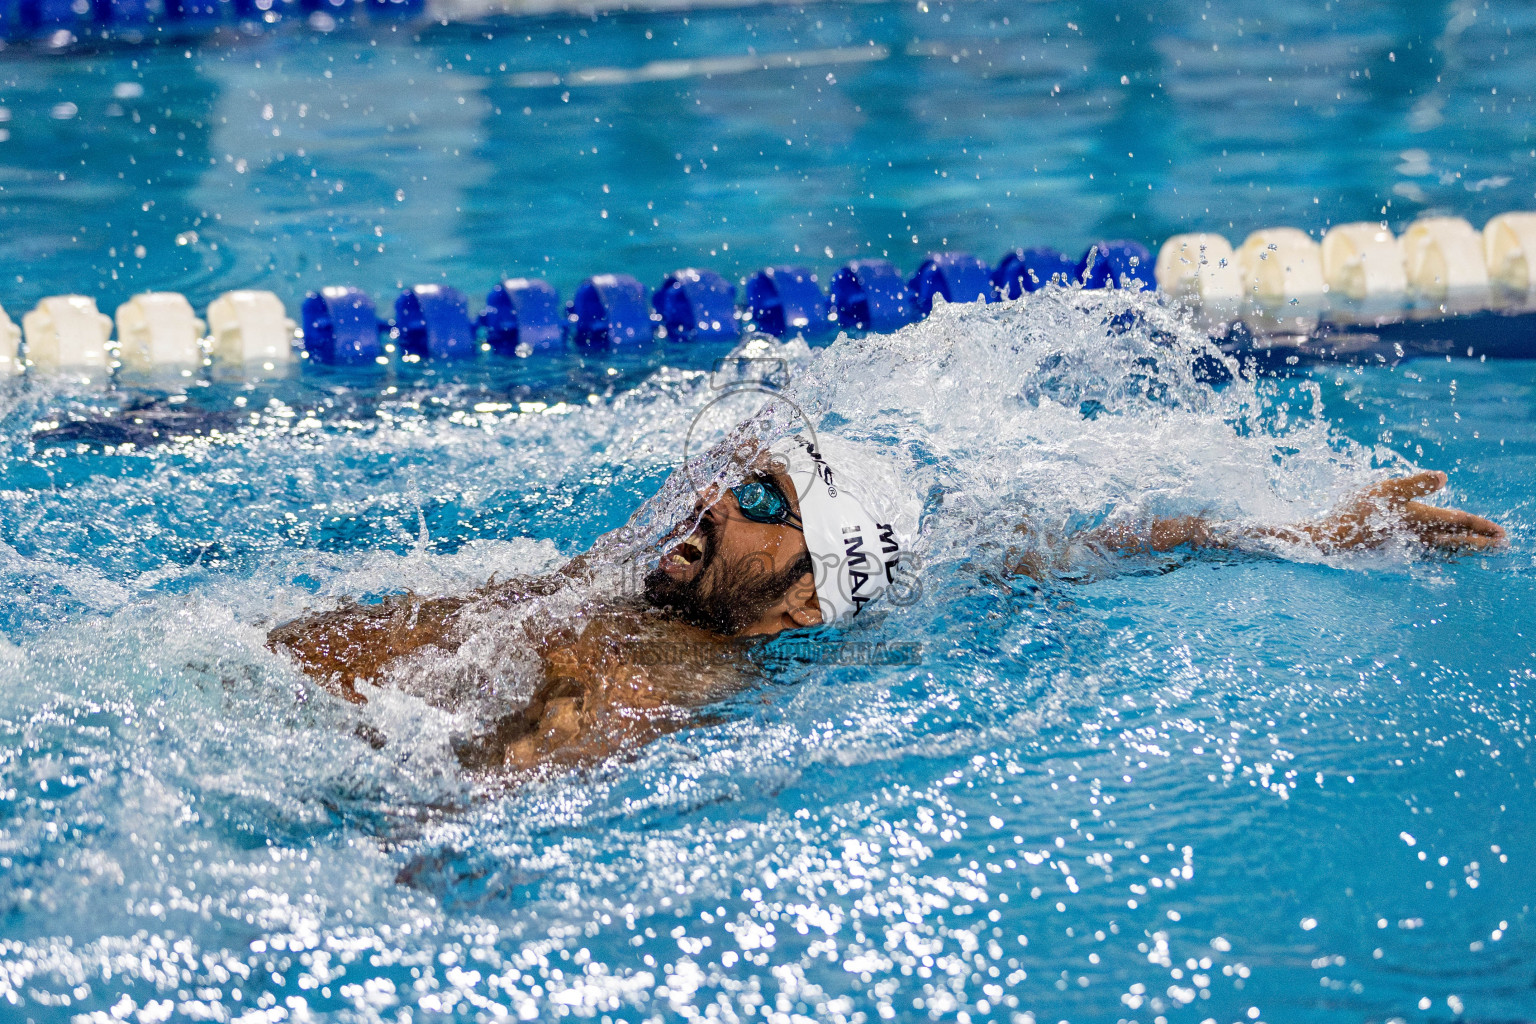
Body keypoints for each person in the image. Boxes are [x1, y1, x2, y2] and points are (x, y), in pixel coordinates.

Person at [267, 431, 1504, 776]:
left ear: (803, 602)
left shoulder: (667, 667)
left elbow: (533, 754)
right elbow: (1049, 549)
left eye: (760, 497)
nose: (710, 499)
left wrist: (407, 853)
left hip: (257, 716)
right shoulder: (684, 596)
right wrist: (1295, 529)